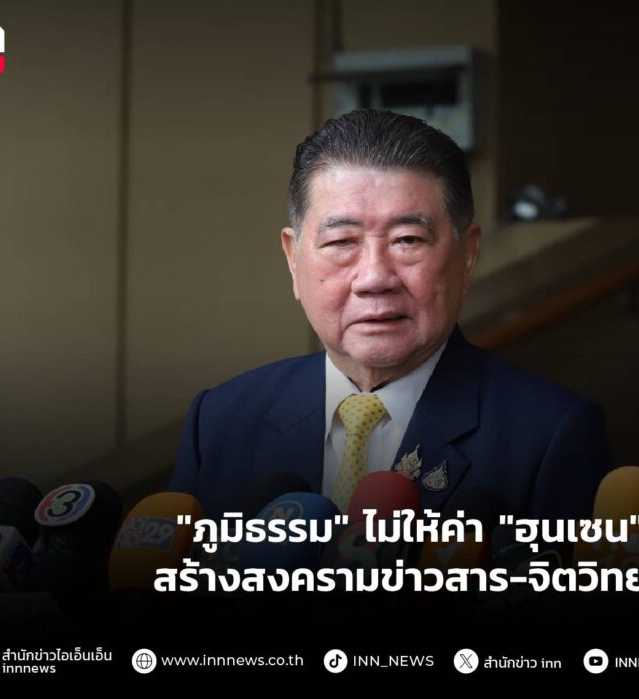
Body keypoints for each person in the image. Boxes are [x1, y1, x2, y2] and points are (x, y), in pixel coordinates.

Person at [168, 109, 611, 520]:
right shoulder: (221, 421)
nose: (375, 278)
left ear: (468, 255)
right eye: (342, 242)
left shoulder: (551, 433)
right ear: (293, 260)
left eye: (408, 240)